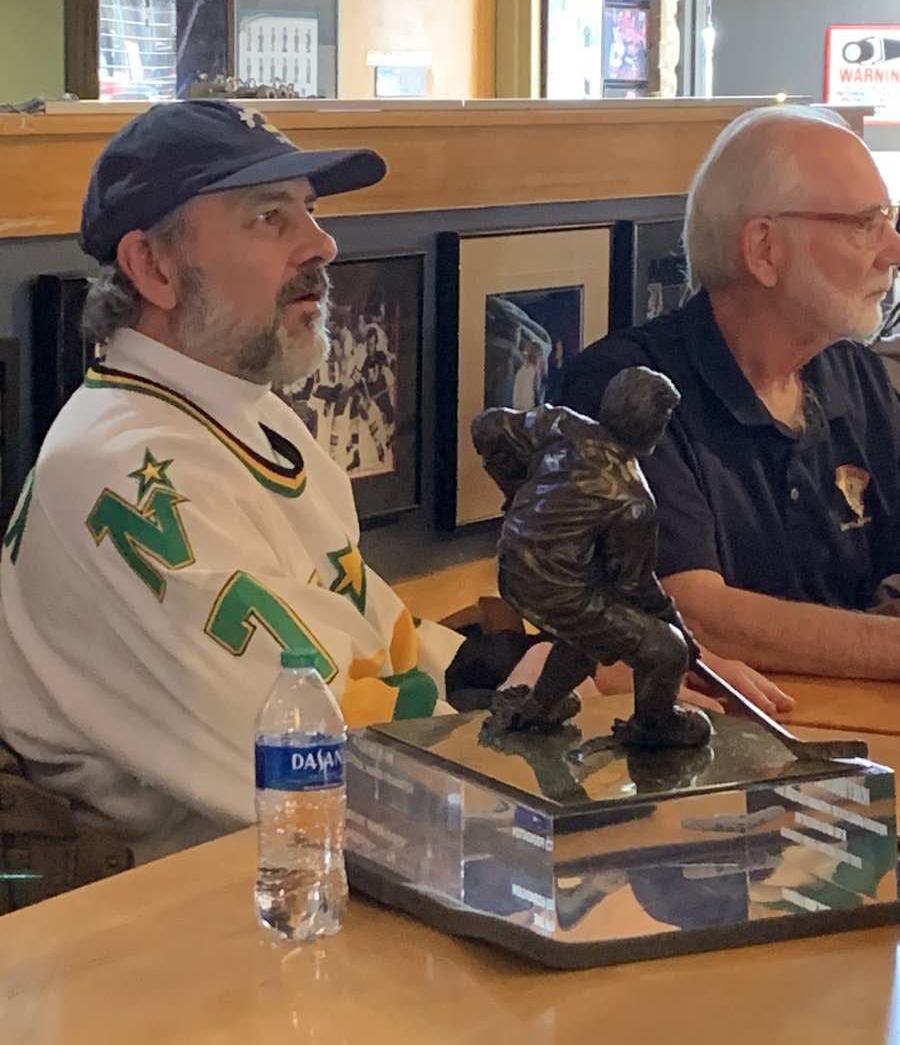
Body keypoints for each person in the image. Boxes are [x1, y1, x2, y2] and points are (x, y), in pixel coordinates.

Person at [0, 100, 469, 864]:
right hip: (172, 919)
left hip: (289, 869)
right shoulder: (117, 473)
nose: (322, 243)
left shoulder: (248, 414)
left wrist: (522, 678)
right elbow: (311, 754)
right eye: (267, 217)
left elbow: (362, 632)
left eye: (309, 211)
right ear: (153, 267)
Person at [563, 104, 900, 682]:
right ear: (764, 249)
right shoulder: (633, 389)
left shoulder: (854, 374)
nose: (892, 249)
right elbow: (696, 614)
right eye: (865, 224)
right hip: (708, 750)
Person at [472, 368, 711, 750]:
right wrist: (676, 628)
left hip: (513, 571)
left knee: (592, 632)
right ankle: (655, 725)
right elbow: (633, 585)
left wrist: (515, 487)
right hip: (558, 590)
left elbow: (487, 427)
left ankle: (539, 708)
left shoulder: (562, 424)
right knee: (666, 651)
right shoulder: (633, 500)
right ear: (654, 426)